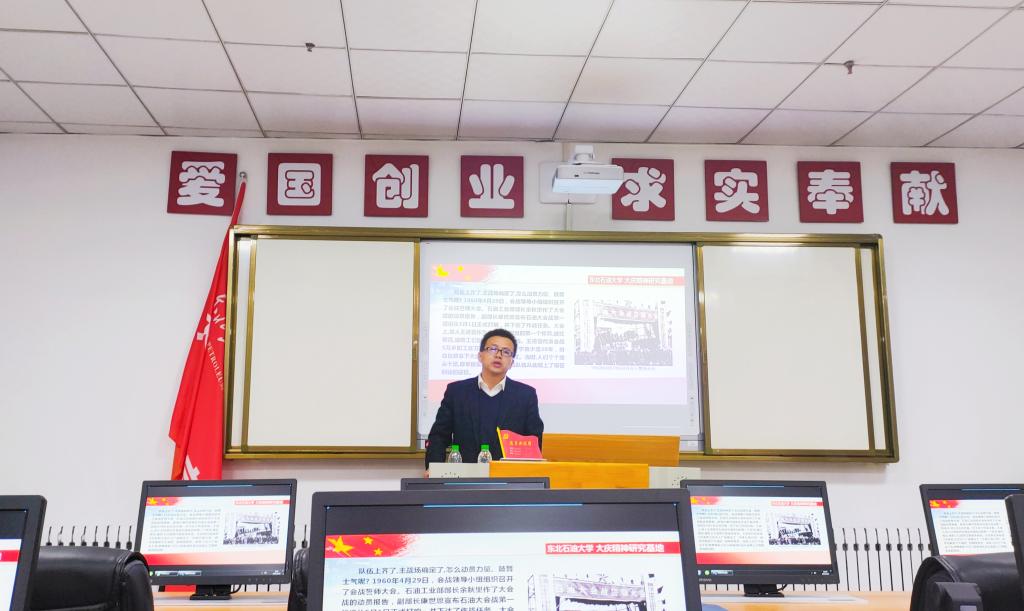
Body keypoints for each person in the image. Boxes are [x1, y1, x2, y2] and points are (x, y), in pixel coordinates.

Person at [424, 328, 543, 469]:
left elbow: (534, 440)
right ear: (480, 356)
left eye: (506, 352)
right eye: (493, 349)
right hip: (465, 476)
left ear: (512, 362)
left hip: (509, 476)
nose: (498, 355)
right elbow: (439, 436)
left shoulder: (525, 395)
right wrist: (433, 469)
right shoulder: (457, 392)